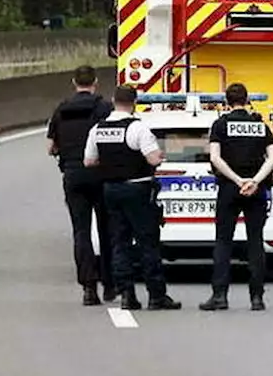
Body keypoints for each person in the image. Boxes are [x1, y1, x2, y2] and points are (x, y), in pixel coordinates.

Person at [83, 85, 180, 311]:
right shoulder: (137, 128)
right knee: (147, 242)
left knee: (119, 242)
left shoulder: (98, 129)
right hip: (137, 189)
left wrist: (110, 164)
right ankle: (156, 295)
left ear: (113, 101)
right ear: (134, 102)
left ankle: (127, 293)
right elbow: (154, 159)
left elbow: (88, 161)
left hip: (110, 191)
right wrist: (159, 154)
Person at [200, 83, 273, 312]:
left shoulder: (221, 125)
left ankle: (220, 296)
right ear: (247, 100)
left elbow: (215, 158)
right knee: (255, 242)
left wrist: (237, 181)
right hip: (256, 191)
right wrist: (254, 181)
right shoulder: (259, 125)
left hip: (229, 188)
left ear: (227, 101)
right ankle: (257, 298)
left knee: (223, 242)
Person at [47, 65, 115, 304]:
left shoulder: (62, 109)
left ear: (73, 82)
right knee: (108, 230)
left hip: (74, 175)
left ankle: (88, 288)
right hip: (101, 174)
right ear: (95, 82)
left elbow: (50, 147)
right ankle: (109, 284)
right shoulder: (105, 108)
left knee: (81, 231)